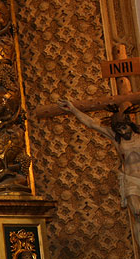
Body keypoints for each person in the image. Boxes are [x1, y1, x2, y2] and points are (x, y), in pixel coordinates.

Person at [58, 99, 140, 246]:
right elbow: (91, 123)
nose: (122, 131)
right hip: (130, 180)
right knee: (138, 213)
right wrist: (73, 109)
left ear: (130, 124)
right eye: (119, 129)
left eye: (124, 127)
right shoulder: (117, 138)